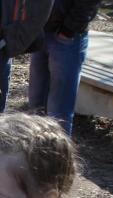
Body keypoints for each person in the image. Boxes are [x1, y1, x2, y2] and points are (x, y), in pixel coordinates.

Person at [28, 0, 101, 135]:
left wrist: (68, 29)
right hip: (40, 31)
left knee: (59, 109)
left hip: (67, 37)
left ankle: (58, 153)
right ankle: (33, 151)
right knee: (35, 103)